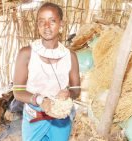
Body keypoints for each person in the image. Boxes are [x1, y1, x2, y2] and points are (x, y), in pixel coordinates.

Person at [13, 2, 80, 141]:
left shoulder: (70, 56)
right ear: (37, 25)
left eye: (52, 21)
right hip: (34, 118)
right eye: (41, 21)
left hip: (60, 119)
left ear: (61, 25)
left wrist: (68, 93)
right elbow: (18, 91)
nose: (46, 26)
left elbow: (76, 89)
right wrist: (41, 101)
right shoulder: (26, 53)